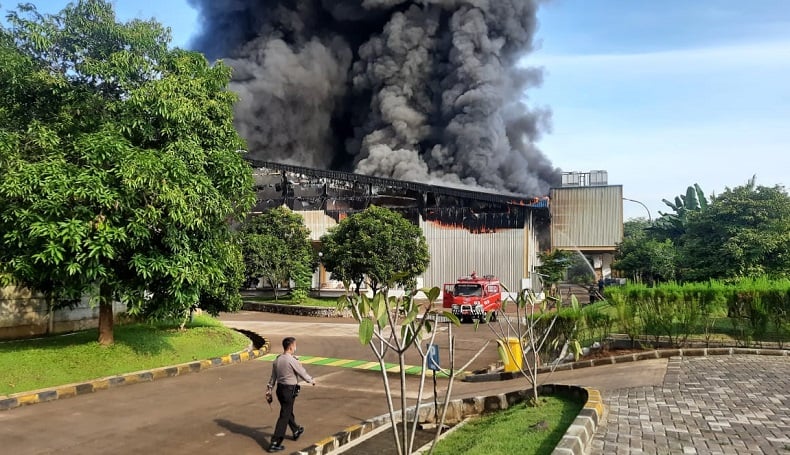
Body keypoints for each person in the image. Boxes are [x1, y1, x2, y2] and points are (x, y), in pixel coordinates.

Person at [266, 337, 315, 453]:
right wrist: (311, 380)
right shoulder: (292, 360)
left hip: (280, 390)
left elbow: (273, 377)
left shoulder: (277, 360)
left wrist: (269, 390)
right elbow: (301, 372)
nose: (296, 347)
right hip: (289, 390)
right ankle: (274, 442)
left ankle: (296, 430)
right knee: (284, 415)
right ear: (291, 347)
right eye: (295, 345)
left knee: (287, 411)